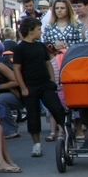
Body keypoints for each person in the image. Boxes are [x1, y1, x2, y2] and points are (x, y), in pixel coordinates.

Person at [15, 17, 66, 159]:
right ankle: (36, 144)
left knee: (57, 108)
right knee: (33, 116)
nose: (40, 32)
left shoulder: (41, 46)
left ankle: (65, 132)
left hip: (45, 84)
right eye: (38, 29)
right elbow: (17, 69)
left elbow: (48, 63)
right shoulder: (19, 48)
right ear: (30, 31)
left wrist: (52, 80)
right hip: (30, 86)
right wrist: (23, 88)